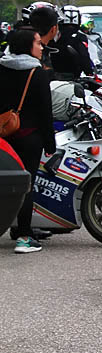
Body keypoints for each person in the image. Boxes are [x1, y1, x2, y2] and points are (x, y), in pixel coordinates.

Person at [0, 28, 55, 254]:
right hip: (29, 136)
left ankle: (14, 227)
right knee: (26, 185)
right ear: (27, 46)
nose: (41, 47)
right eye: (37, 43)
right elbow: (45, 112)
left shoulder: (1, 67)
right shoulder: (37, 73)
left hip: (4, 135)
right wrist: (50, 143)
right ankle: (24, 236)